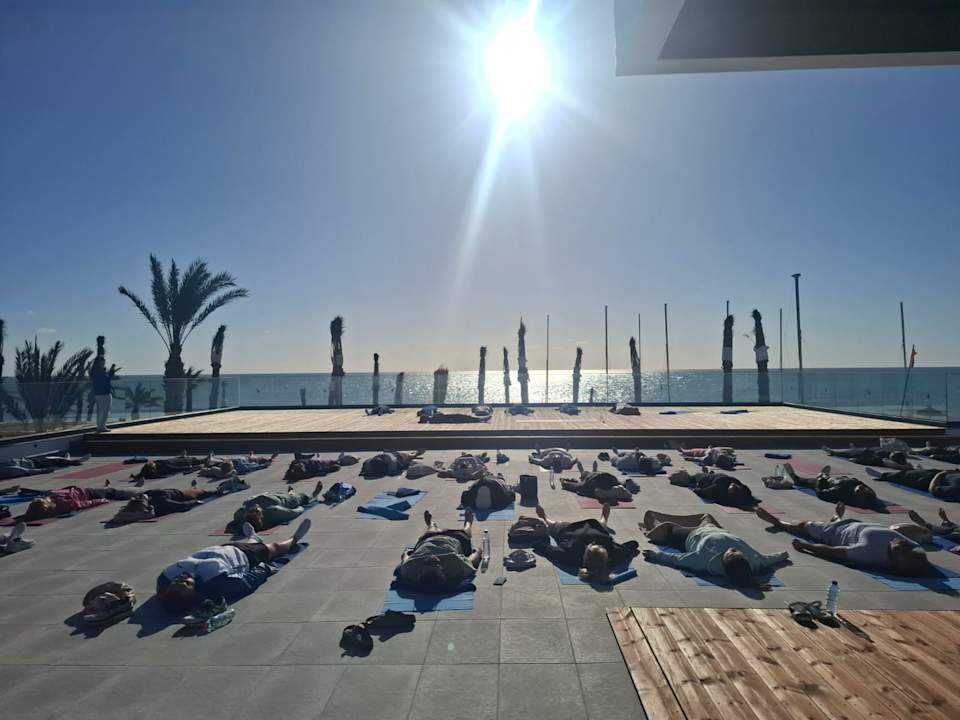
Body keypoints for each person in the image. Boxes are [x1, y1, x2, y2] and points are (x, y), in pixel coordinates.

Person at [156, 519, 311, 613]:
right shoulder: (217, 584)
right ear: (194, 594)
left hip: (221, 548)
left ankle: (253, 537)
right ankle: (294, 539)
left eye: (176, 582)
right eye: (186, 584)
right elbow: (248, 582)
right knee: (275, 547)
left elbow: (166, 595)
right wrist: (265, 568)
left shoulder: (165, 580)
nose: (181, 578)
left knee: (249, 542)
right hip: (246, 556)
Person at [755, 503, 930, 576]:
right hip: (860, 524)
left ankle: (777, 521)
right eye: (905, 544)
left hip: (835, 532)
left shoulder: (868, 553)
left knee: (803, 525)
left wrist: (807, 546)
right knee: (898, 530)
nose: (901, 542)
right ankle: (836, 517)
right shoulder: (911, 548)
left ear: (895, 557)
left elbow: (835, 552)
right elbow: (916, 554)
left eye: (901, 546)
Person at [641, 510, 789, 587]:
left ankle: (658, 521)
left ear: (725, 561)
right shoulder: (753, 561)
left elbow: (676, 559)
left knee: (661, 528)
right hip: (714, 529)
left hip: (691, 535)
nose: (733, 549)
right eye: (738, 553)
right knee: (706, 516)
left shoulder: (704, 561)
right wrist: (783, 555)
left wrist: (654, 555)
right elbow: (769, 559)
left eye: (731, 553)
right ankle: (667, 519)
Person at [531, 504, 639, 582]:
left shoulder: (570, 555)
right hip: (594, 528)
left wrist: (537, 542)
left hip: (573, 529)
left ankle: (545, 518)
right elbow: (632, 545)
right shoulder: (614, 555)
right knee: (602, 527)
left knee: (554, 524)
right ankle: (603, 519)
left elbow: (547, 549)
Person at [397, 509, 481, 592]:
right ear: (443, 571)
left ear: (420, 573)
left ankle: (431, 524)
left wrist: (407, 552)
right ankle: (468, 522)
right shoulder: (457, 566)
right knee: (466, 532)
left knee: (431, 530)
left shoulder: (409, 568)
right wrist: (478, 551)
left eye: (427, 562)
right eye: (436, 563)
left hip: (428, 538)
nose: (433, 557)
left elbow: (405, 555)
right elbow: (473, 559)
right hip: (454, 538)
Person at [228, 480, 324, 533]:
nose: (256, 507)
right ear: (261, 516)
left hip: (270, 495)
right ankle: (313, 495)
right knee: (300, 497)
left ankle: (291, 492)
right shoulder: (273, 512)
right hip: (283, 500)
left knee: (287, 495)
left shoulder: (242, 512)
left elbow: (237, 515)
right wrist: (301, 508)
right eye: (257, 510)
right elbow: (293, 513)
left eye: (252, 510)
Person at [782, 463, 883, 510]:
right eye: (862, 488)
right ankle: (823, 475)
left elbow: (821, 493)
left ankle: (795, 478)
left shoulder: (840, 493)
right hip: (842, 480)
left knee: (808, 481)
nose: (861, 488)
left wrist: (821, 480)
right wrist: (862, 486)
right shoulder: (869, 495)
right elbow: (863, 486)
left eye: (860, 490)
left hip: (828, 482)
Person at [110, 486, 227, 523]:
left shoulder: (144, 496)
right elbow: (180, 505)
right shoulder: (161, 502)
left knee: (197, 491)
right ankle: (215, 491)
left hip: (173, 493)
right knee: (198, 492)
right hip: (180, 495)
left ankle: (214, 491)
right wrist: (195, 502)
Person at [22, 485, 141, 520]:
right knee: (114, 493)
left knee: (111, 491)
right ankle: (138, 493)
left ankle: (133, 491)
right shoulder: (62, 504)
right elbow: (82, 504)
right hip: (90, 494)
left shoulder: (49, 496)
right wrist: (99, 501)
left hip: (84, 491)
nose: (45, 498)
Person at [669, 469, 757, 508]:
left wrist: (695, 489)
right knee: (692, 479)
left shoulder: (741, 489)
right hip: (708, 478)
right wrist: (694, 489)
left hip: (714, 477)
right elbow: (702, 492)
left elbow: (702, 492)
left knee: (692, 480)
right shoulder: (719, 486)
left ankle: (682, 476)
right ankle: (681, 476)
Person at [868, 466, 960, 501]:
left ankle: (884, 475)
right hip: (936, 473)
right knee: (912, 471)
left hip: (926, 479)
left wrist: (942, 473)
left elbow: (933, 490)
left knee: (905, 475)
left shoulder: (956, 490)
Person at [560, 467, 633, 503]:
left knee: (582, 488)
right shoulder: (591, 477)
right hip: (609, 478)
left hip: (598, 481)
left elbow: (573, 486)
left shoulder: (587, 482)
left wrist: (564, 482)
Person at [89, 356, 119, 432]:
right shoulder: (99, 371)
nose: (104, 363)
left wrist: (109, 373)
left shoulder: (94, 371)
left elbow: (104, 378)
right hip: (104, 393)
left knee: (102, 411)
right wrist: (111, 373)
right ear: (99, 362)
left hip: (99, 393)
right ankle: (102, 427)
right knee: (105, 411)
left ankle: (100, 426)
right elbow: (106, 379)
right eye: (102, 362)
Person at [822, 445, 912, 470]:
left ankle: (834, 452)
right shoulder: (888, 453)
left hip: (864, 453)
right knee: (851, 452)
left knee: (848, 453)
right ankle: (852, 449)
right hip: (867, 450)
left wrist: (857, 460)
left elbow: (870, 461)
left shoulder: (882, 458)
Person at [130, 453, 209, 481]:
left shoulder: (147, 469)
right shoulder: (162, 466)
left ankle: (183, 457)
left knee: (184, 459)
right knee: (189, 460)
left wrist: (136, 476)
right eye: (152, 464)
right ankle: (204, 460)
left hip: (171, 461)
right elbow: (176, 469)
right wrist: (189, 468)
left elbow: (141, 473)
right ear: (153, 468)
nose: (152, 463)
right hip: (175, 463)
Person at [199, 453, 278, 479]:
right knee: (252, 460)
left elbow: (205, 471)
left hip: (238, 460)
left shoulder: (220, 471)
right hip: (241, 460)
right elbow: (254, 467)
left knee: (223, 459)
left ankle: (212, 459)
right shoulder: (241, 467)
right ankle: (267, 459)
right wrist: (264, 465)